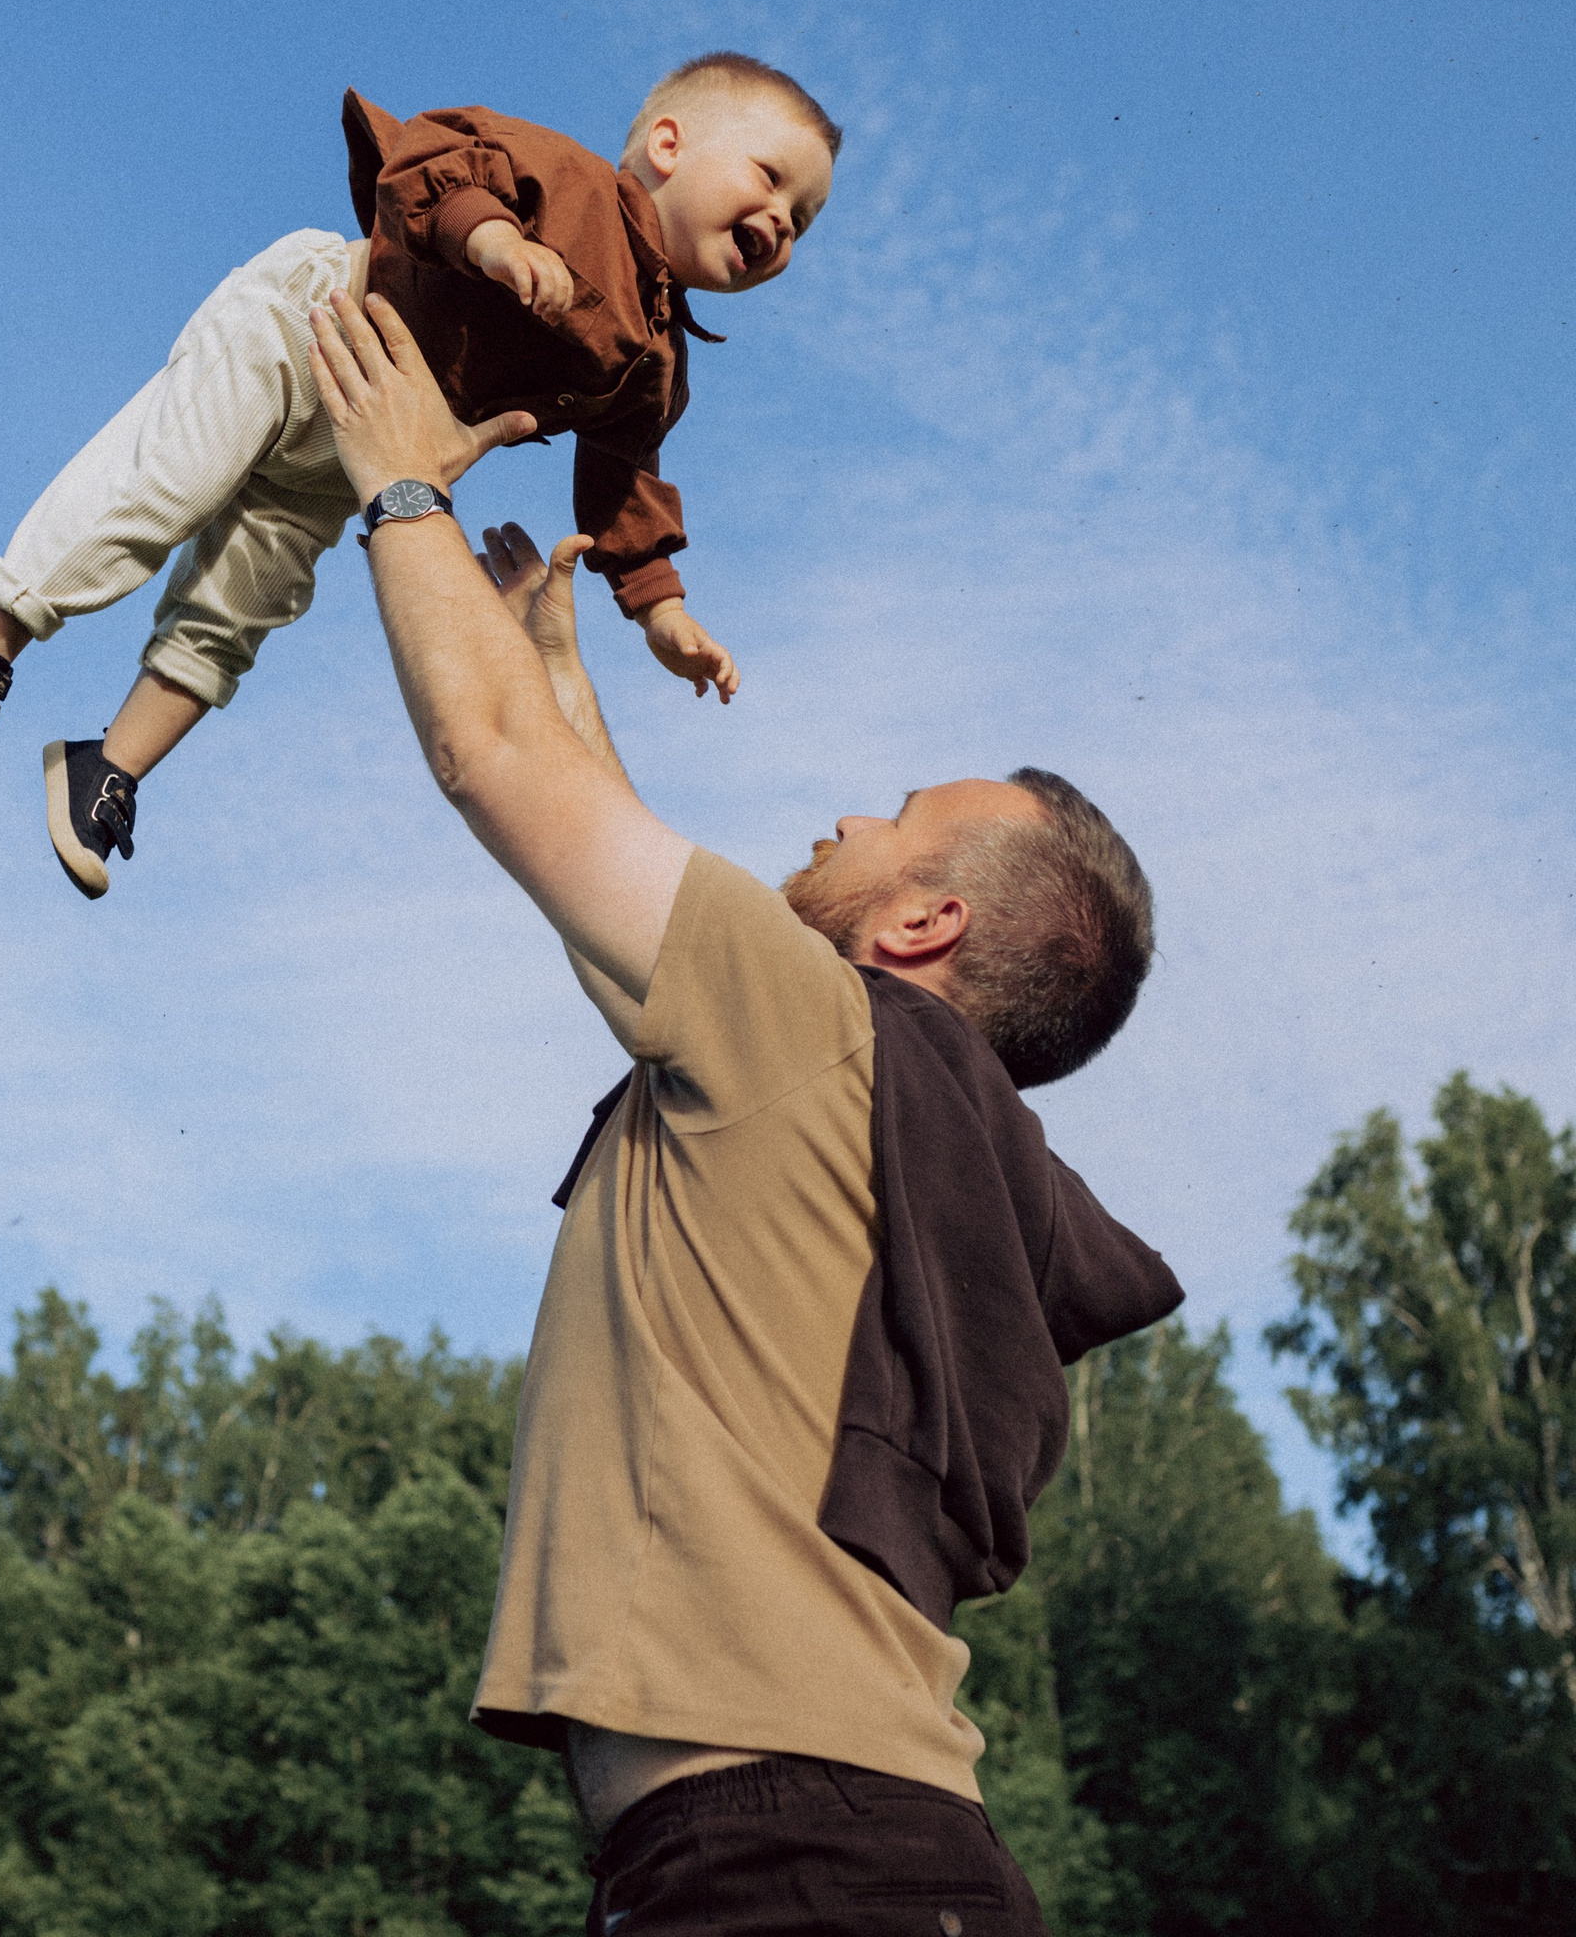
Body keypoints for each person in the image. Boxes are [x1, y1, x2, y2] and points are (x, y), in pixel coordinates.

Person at [306, 284, 1184, 1937]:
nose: (846, 815)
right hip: (833, 1850)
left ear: (923, 923)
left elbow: (496, 764)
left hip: (795, 1861)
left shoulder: (816, 1029)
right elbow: (604, 858)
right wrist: (557, 665)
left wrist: (397, 483)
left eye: (894, 818)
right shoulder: (871, 1097)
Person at [0, 53, 839, 895]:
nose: (780, 222)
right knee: (164, 488)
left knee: (246, 603)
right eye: (770, 179)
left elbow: (624, 482)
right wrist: (494, 241)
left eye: (801, 220)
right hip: (310, 326)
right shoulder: (572, 181)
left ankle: (109, 765)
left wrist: (661, 609)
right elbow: (439, 159)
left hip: (362, 441)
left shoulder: (655, 364)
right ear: (668, 145)